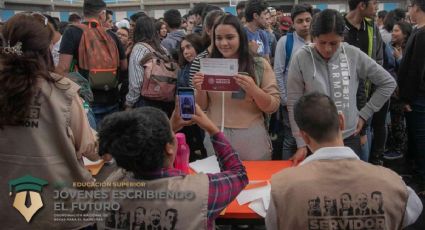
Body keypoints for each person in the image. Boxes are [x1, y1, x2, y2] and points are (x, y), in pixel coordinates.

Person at [266, 92, 423, 230]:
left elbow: (273, 224)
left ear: (303, 135)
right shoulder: (394, 184)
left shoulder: (282, 188)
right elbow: (414, 210)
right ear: (341, 121)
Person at [0, 13, 99, 229]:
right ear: (45, 50)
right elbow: (89, 147)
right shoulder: (62, 91)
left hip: (7, 210)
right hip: (61, 208)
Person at [97, 103, 248, 230]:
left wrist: (166, 132)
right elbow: (239, 174)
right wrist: (212, 129)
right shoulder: (200, 192)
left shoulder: (107, 191)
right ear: (169, 147)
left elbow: (132, 157)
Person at [287, 9, 396, 164]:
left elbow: (388, 82)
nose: (327, 49)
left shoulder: (352, 54)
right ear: (314, 37)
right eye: (322, 42)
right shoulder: (301, 57)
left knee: (349, 185)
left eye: (334, 43)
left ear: (342, 38)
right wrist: (301, 142)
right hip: (314, 138)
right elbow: (293, 101)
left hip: (348, 136)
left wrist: (365, 113)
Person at [193, 14, 280, 160]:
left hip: (251, 138)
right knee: (220, 181)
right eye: (218, 38)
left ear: (241, 37)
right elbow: (202, 106)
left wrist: (253, 89)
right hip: (215, 135)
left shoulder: (258, 64)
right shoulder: (209, 65)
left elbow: (273, 105)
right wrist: (200, 89)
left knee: (255, 181)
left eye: (229, 37)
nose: (224, 43)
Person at [56, 0, 127, 126]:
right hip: (112, 98)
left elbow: (63, 68)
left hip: (86, 101)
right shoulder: (112, 35)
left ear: (84, 12)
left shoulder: (72, 32)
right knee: (112, 141)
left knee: (92, 142)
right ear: (102, 14)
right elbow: (124, 66)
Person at [344, 0, 388, 164]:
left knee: (364, 138)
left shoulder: (372, 28)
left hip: (367, 97)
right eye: (374, 3)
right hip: (343, 97)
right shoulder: (339, 26)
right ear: (361, 5)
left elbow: (378, 60)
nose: (377, 7)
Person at [274, 4, 313, 160]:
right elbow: (278, 71)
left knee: (312, 138)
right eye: (300, 21)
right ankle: (288, 174)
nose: (305, 24)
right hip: (291, 101)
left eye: (308, 20)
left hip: (313, 101)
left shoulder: (319, 41)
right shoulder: (285, 42)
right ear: (293, 23)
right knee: (291, 139)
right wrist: (285, 100)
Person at [398, 0, 425, 192]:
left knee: (421, 138)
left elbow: (415, 70)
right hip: (416, 96)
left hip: (418, 97)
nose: (409, 11)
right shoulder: (418, 30)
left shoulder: (422, 34)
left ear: (416, 7)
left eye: (410, 7)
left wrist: (406, 98)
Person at [125, 16, 175, 116]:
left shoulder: (139, 49)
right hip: (166, 101)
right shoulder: (162, 49)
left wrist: (129, 103)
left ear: (138, 31)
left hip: (146, 102)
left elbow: (137, 83)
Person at [384, 21, 412, 160]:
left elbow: (408, 71)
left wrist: (400, 59)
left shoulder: (409, 48)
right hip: (392, 90)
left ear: (405, 34)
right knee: (394, 120)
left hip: (403, 91)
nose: (393, 33)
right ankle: (394, 146)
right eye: (393, 30)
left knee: (399, 120)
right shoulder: (389, 47)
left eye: (396, 31)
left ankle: (400, 149)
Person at [188, 10, 225, 87]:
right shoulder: (199, 60)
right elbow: (193, 92)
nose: (222, 30)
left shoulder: (235, 56)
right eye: (217, 26)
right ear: (208, 30)